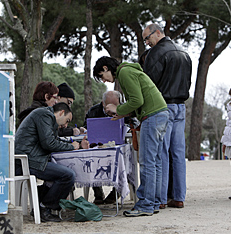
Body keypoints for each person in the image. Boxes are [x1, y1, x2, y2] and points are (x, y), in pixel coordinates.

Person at [93, 56, 168, 217]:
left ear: (106, 68)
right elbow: (139, 102)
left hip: (152, 116)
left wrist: (118, 108)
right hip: (160, 113)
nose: (104, 80)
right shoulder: (129, 70)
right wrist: (121, 114)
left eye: (101, 76)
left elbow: (137, 100)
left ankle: (146, 205)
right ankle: (153, 202)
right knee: (155, 162)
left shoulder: (125, 73)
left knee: (147, 162)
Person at [141, 23, 192, 209]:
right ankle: (179, 196)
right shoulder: (184, 53)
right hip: (181, 105)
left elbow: (149, 84)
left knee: (161, 152)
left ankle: (161, 198)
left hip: (163, 106)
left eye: (147, 38)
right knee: (178, 153)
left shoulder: (156, 53)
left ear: (158, 32)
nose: (147, 43)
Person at [15, 102, 90, 222]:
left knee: (63, 173)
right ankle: (45, 208)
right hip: (27, 161)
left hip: (31, 158)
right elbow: (48, 143)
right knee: (68, 175)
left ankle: (42, 203)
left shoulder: (46, 116)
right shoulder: (45, 115)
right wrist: (71, 147)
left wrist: (78, 146)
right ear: (61, 113)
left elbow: (53, 140)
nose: (66, 125)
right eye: (67, 120)